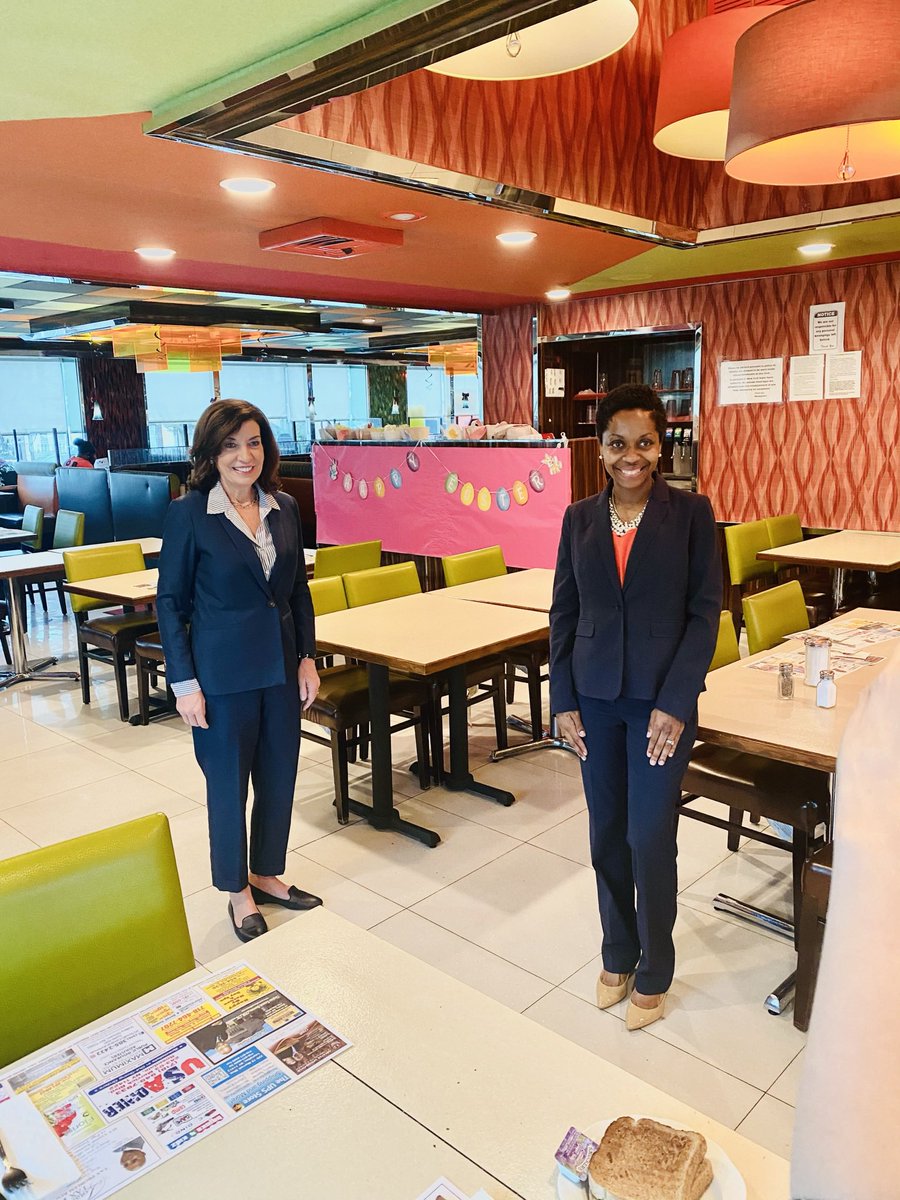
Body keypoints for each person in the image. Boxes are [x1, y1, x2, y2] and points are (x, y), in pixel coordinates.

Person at [549, 384, 720, 1030]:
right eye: (618, 443)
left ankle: (656, 967)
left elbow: (705, 615)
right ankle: (618, 952)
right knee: (606, 834)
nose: (631, 456)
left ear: (661, 445)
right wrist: (562, 698)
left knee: (649, 836)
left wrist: (677, 702)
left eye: (644, 442)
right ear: (600, 448)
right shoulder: (579, 519)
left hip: (659, 706)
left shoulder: (692, 514)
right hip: (595, 700)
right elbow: (564, 613)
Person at [156, 398, 323, 944]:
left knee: (278, 777)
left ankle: (266, 873)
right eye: (230, 445)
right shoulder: (190, 514)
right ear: (211, 453)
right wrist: (185, 684)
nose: (244, 455)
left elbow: (296, 590)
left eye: (253, 442)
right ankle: (237, 890)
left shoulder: (284, 506)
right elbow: (170, 603)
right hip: (221, 679)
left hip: (280, 669)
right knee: (228, 787)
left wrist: (307, 656)